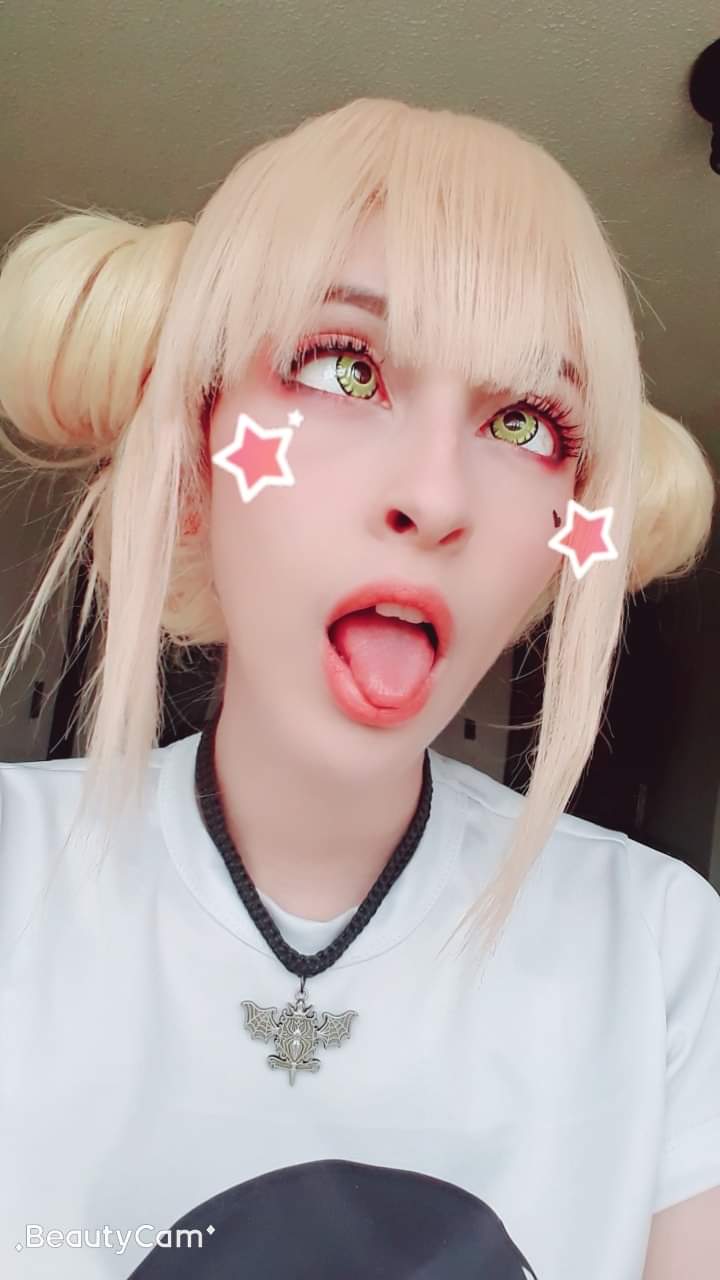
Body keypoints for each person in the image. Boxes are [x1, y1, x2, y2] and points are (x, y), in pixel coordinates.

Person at [0, 96, 718, 1279]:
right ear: (194, 455)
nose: (435, 496)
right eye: (343, 365)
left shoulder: (660, 951)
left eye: (526, 422)